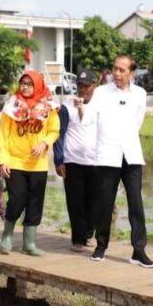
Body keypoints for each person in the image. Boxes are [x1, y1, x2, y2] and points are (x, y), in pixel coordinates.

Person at [81, 54, 153, 268]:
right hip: (107, 155)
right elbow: (88, 119)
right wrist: (81, 107)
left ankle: (139, 250)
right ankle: (100, 246)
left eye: (122, 70)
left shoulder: (140, 94)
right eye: (115, 69)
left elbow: (137, 122)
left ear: (132, 73)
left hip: (131, 154)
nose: (117, 73)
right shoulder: (102, 93)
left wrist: (126, 139)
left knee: (136, 204)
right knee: (104, 203)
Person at [0, 71, 60, 256]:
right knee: (16, 200)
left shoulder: (48, 106)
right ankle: (7, 235)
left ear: (38, 85)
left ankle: (29, 243)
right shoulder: (11, 106)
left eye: (29, 84)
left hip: (38, 165)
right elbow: (3, 135)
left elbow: (54, 130)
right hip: (15, 162)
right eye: (23, 83)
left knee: (35, 202)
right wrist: (3, 161)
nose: (25, 87)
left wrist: (45, 142)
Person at [53, 68, 98, 252]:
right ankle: (78, 238)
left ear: (94, 86)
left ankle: (88, 233)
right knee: (75, 201)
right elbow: (59, 133)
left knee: (95, 202)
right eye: (80, 85)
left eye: (87, 86)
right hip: (73, 161)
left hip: (96, 161)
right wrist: (58, 160)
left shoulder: (100, 106)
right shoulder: (66, 107)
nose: (83, 89)